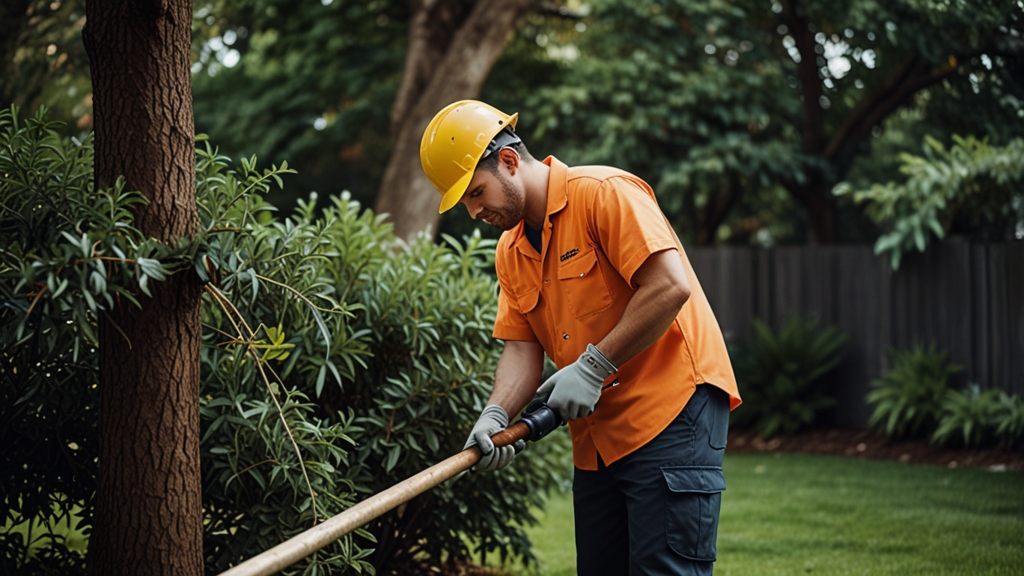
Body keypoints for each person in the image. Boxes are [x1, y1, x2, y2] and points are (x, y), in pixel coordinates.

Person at [419, 100, 742, 575]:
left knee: (663, 569)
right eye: (464, 202)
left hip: (673, 411)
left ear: (509, 161)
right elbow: (521, 348)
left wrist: (593, 365)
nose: (473, 211)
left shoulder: (604, 193)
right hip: (597, 438)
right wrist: (495, 414)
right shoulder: (511, 251)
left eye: (475, 192)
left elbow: (669, 286)